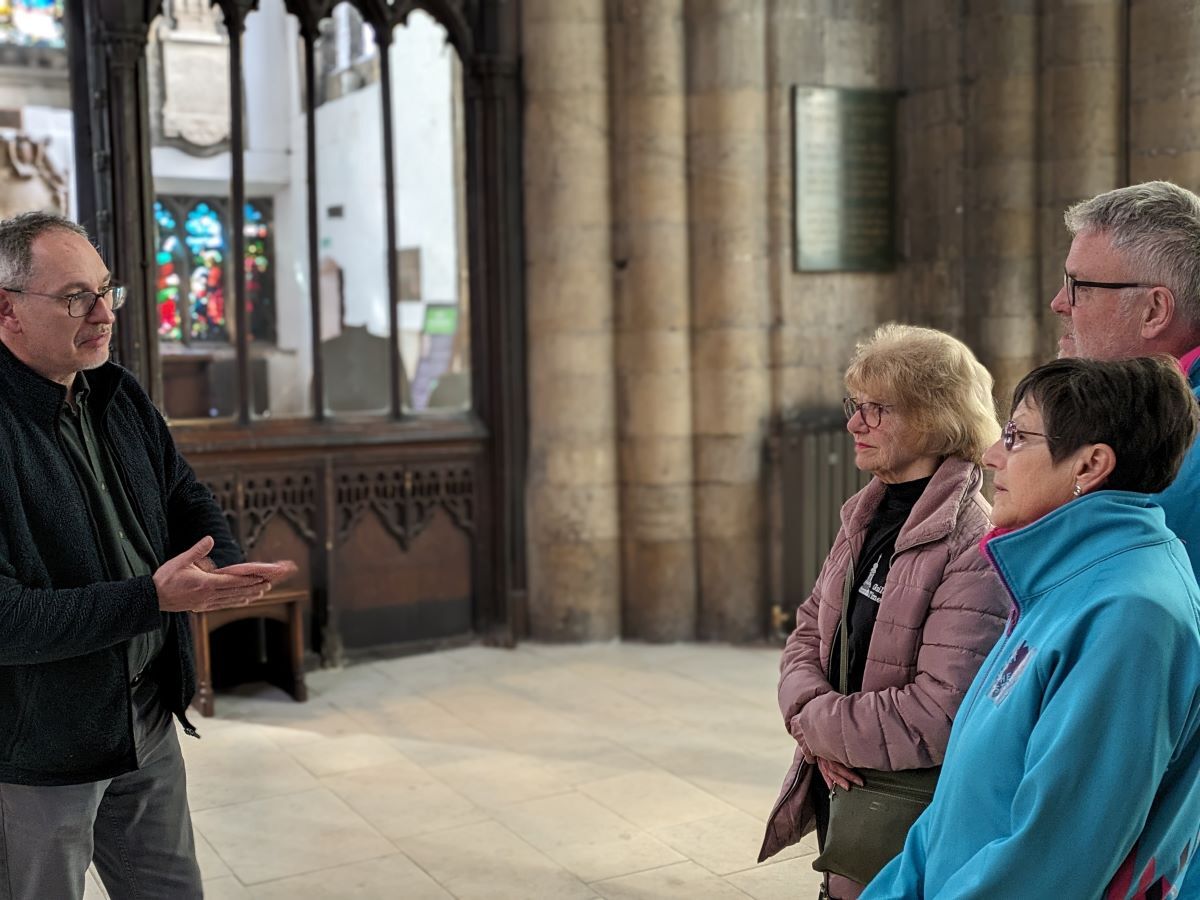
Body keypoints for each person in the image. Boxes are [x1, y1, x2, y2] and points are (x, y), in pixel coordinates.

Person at [0, 211, 296, 899]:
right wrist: (152, 599)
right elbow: (7, 620)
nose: (104, 314)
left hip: (143, 716)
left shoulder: (114, 393)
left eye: (108, 291)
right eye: (76, 297)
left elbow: (183, 495)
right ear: (7, 310)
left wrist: (217, 566)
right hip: (37, 745)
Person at [863, 356, 1200, 899]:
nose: (993, 453)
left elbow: (1049, 862)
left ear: (1089, 466)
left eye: (1017, 436)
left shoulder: (1130, 615)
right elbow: (957, 808)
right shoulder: (1065, 579)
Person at [759, 324, 1010, 899]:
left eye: (877, 409)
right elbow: (806, 633)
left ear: (937, 417)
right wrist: (819, 727)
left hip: (902, 815)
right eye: (856, 405)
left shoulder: (973, 543)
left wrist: (821, 731)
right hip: (848, 790)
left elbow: (939, 713)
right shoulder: (866, 512)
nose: (854, 423)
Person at [1053, 180, 1200, 575]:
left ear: (1154, 310)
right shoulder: (1142, 416)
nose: (1059, 303)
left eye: (1078, 286)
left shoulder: (1173, 446)